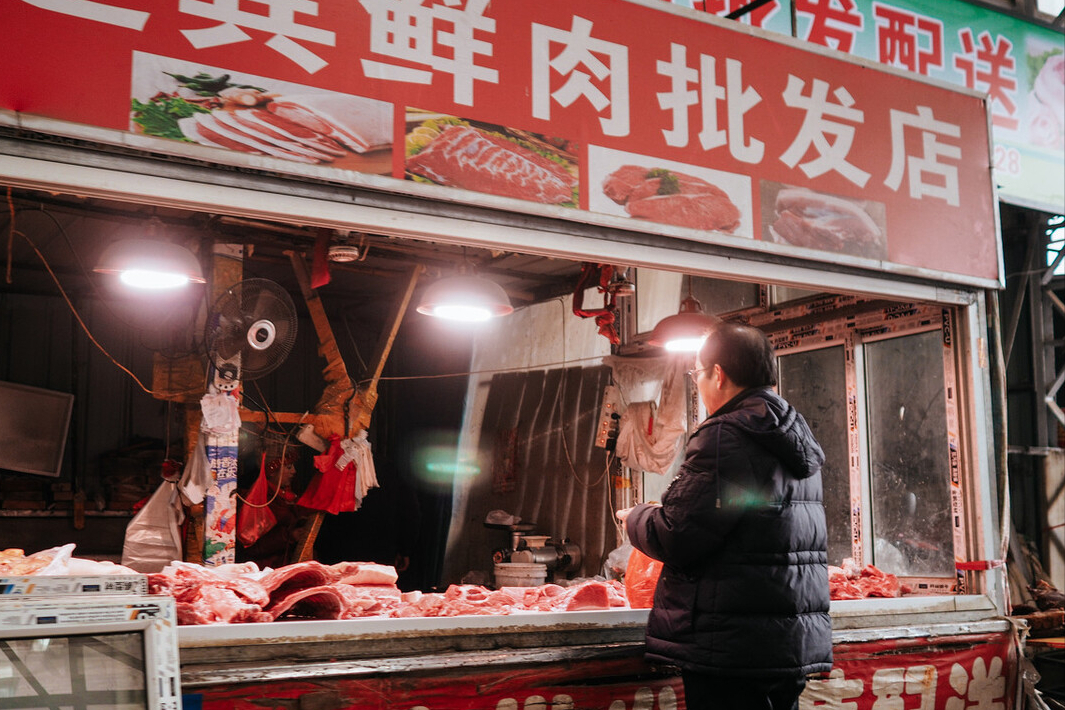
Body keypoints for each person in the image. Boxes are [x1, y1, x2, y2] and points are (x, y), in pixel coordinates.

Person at [616, 323, 832, 710]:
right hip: (786, 645)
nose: (697, 383)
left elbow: (678, 535)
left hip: (731, 647)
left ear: (718, 374)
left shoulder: (726, 436)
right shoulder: (794, 437)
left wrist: (636, 516)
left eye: (697, 373)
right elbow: (740, 518)